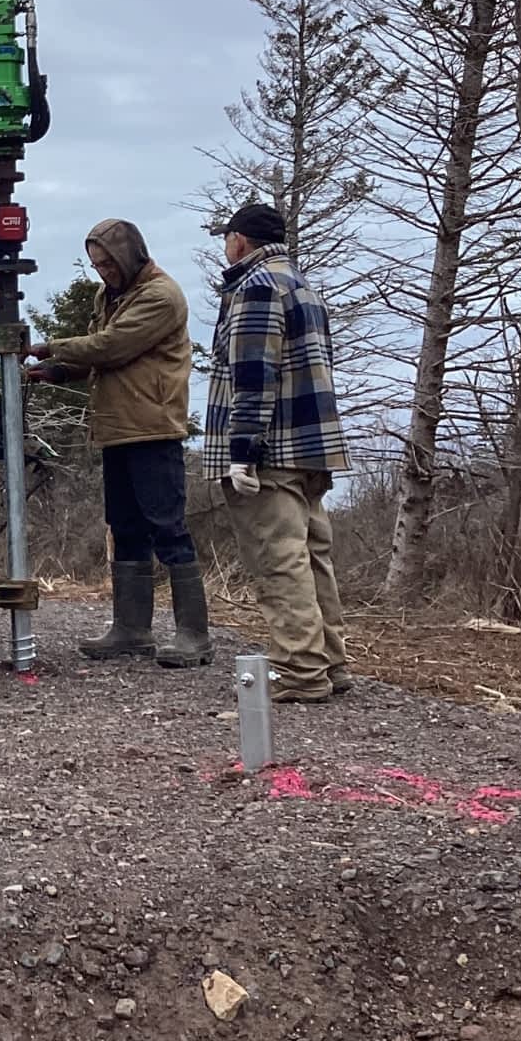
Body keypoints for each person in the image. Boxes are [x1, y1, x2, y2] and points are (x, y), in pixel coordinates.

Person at [25, 218, 212, 667]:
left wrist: (50, 349)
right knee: (125, 528)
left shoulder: (160, 296)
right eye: (97, 265)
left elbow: (112, 346)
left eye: (108, 262)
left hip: (152, 427)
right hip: (117, 429)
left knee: (167, 527)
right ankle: (131, 628)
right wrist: (58, 372)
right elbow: (103, 359)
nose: (103, 271)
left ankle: (194, 634)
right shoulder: (111, 295)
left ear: (129, 255)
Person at [202, 202, 351, 702]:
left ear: (240, 240)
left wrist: (241, 451)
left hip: (270, 449)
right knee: (312, 558)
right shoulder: (302, 285)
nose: (225, 245)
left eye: (227, 237)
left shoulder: (256, 287)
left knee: (279, 557)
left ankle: (300, 671)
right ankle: (329, 663)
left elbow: (253, 374)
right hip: (310, 447)